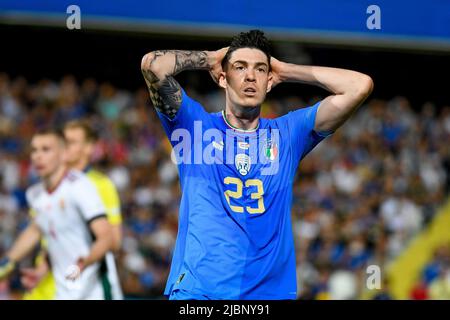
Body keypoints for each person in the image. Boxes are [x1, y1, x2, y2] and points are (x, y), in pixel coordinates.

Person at [140, 30, 373, 300]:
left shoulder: (288, 134)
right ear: (223, 78)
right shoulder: (194, 128)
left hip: (267, 295)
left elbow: (360, 86)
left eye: (260, 69)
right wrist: (212, 59)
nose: (250, 76)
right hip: (200, 292)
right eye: (240, 68)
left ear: (269, 81)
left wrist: (285, 70)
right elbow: (152, 65)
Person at [0, 128, 114, 299]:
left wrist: (81, 264)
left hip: (93, 290)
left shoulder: (80, 186)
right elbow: (43, 233)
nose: (37, 156)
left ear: (63, 154)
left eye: (46, 149)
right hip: (64, 291)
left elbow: (106, 237)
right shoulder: (35, 194)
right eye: (34, 150)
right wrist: (17, 265)